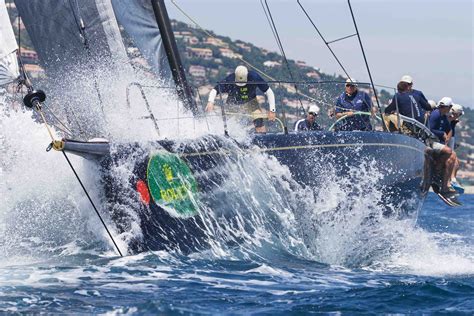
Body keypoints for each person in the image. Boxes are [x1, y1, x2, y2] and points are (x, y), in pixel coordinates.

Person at [206, 65, 276, 133]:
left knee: (259, 120)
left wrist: (272, 110)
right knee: (227, 124)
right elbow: (215, 90)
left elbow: (269, 92)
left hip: (251, 101)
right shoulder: (230, 79)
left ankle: (262, 138)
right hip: (233, 103)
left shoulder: (254, 77)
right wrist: (210, 102)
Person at [428, 97, 458, 196]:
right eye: (449, 107)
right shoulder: (435, 115)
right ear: (445, 107)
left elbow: (449, 129)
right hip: (431, 142)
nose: (450, 109)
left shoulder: (444, 116)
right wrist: (442, 133)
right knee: (450, 153)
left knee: (453, 157)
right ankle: (439, 176)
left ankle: (444, 184)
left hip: (439, 143)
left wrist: (447, 139)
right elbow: (430, 129)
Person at [446, 103, 465, 193]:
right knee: (454, 159)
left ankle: (453, 180)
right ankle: (450, 181)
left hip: (448, 144)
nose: (459, 117)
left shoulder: (452, 121)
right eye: (460, 114)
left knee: (457, 162)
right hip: (444, 144)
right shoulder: (448, 119)